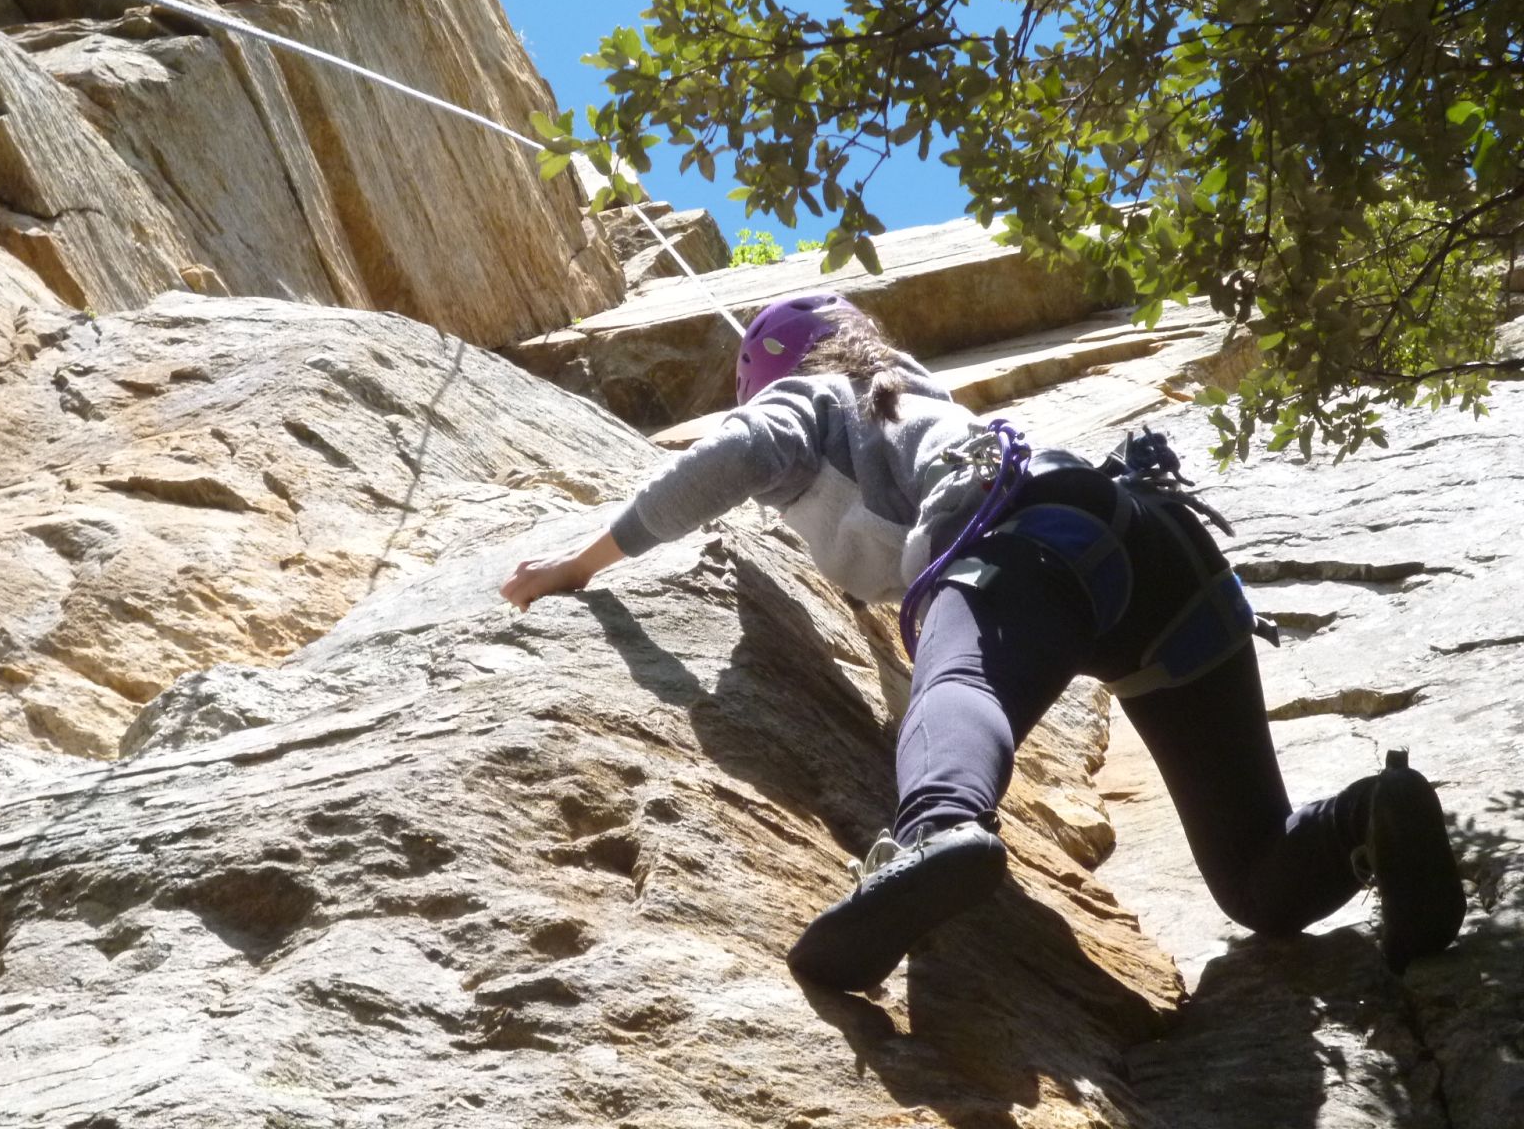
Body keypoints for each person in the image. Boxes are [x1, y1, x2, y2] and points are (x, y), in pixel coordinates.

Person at [501, 292, 1466, 990]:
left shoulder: (819, 397)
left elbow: (741, 454)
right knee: (1258, 880)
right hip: (1164, 562)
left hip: (1027, 535)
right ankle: (1369, 816)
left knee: (954, 676)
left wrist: (579, 564)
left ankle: (938, 833)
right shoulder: (924, 412)